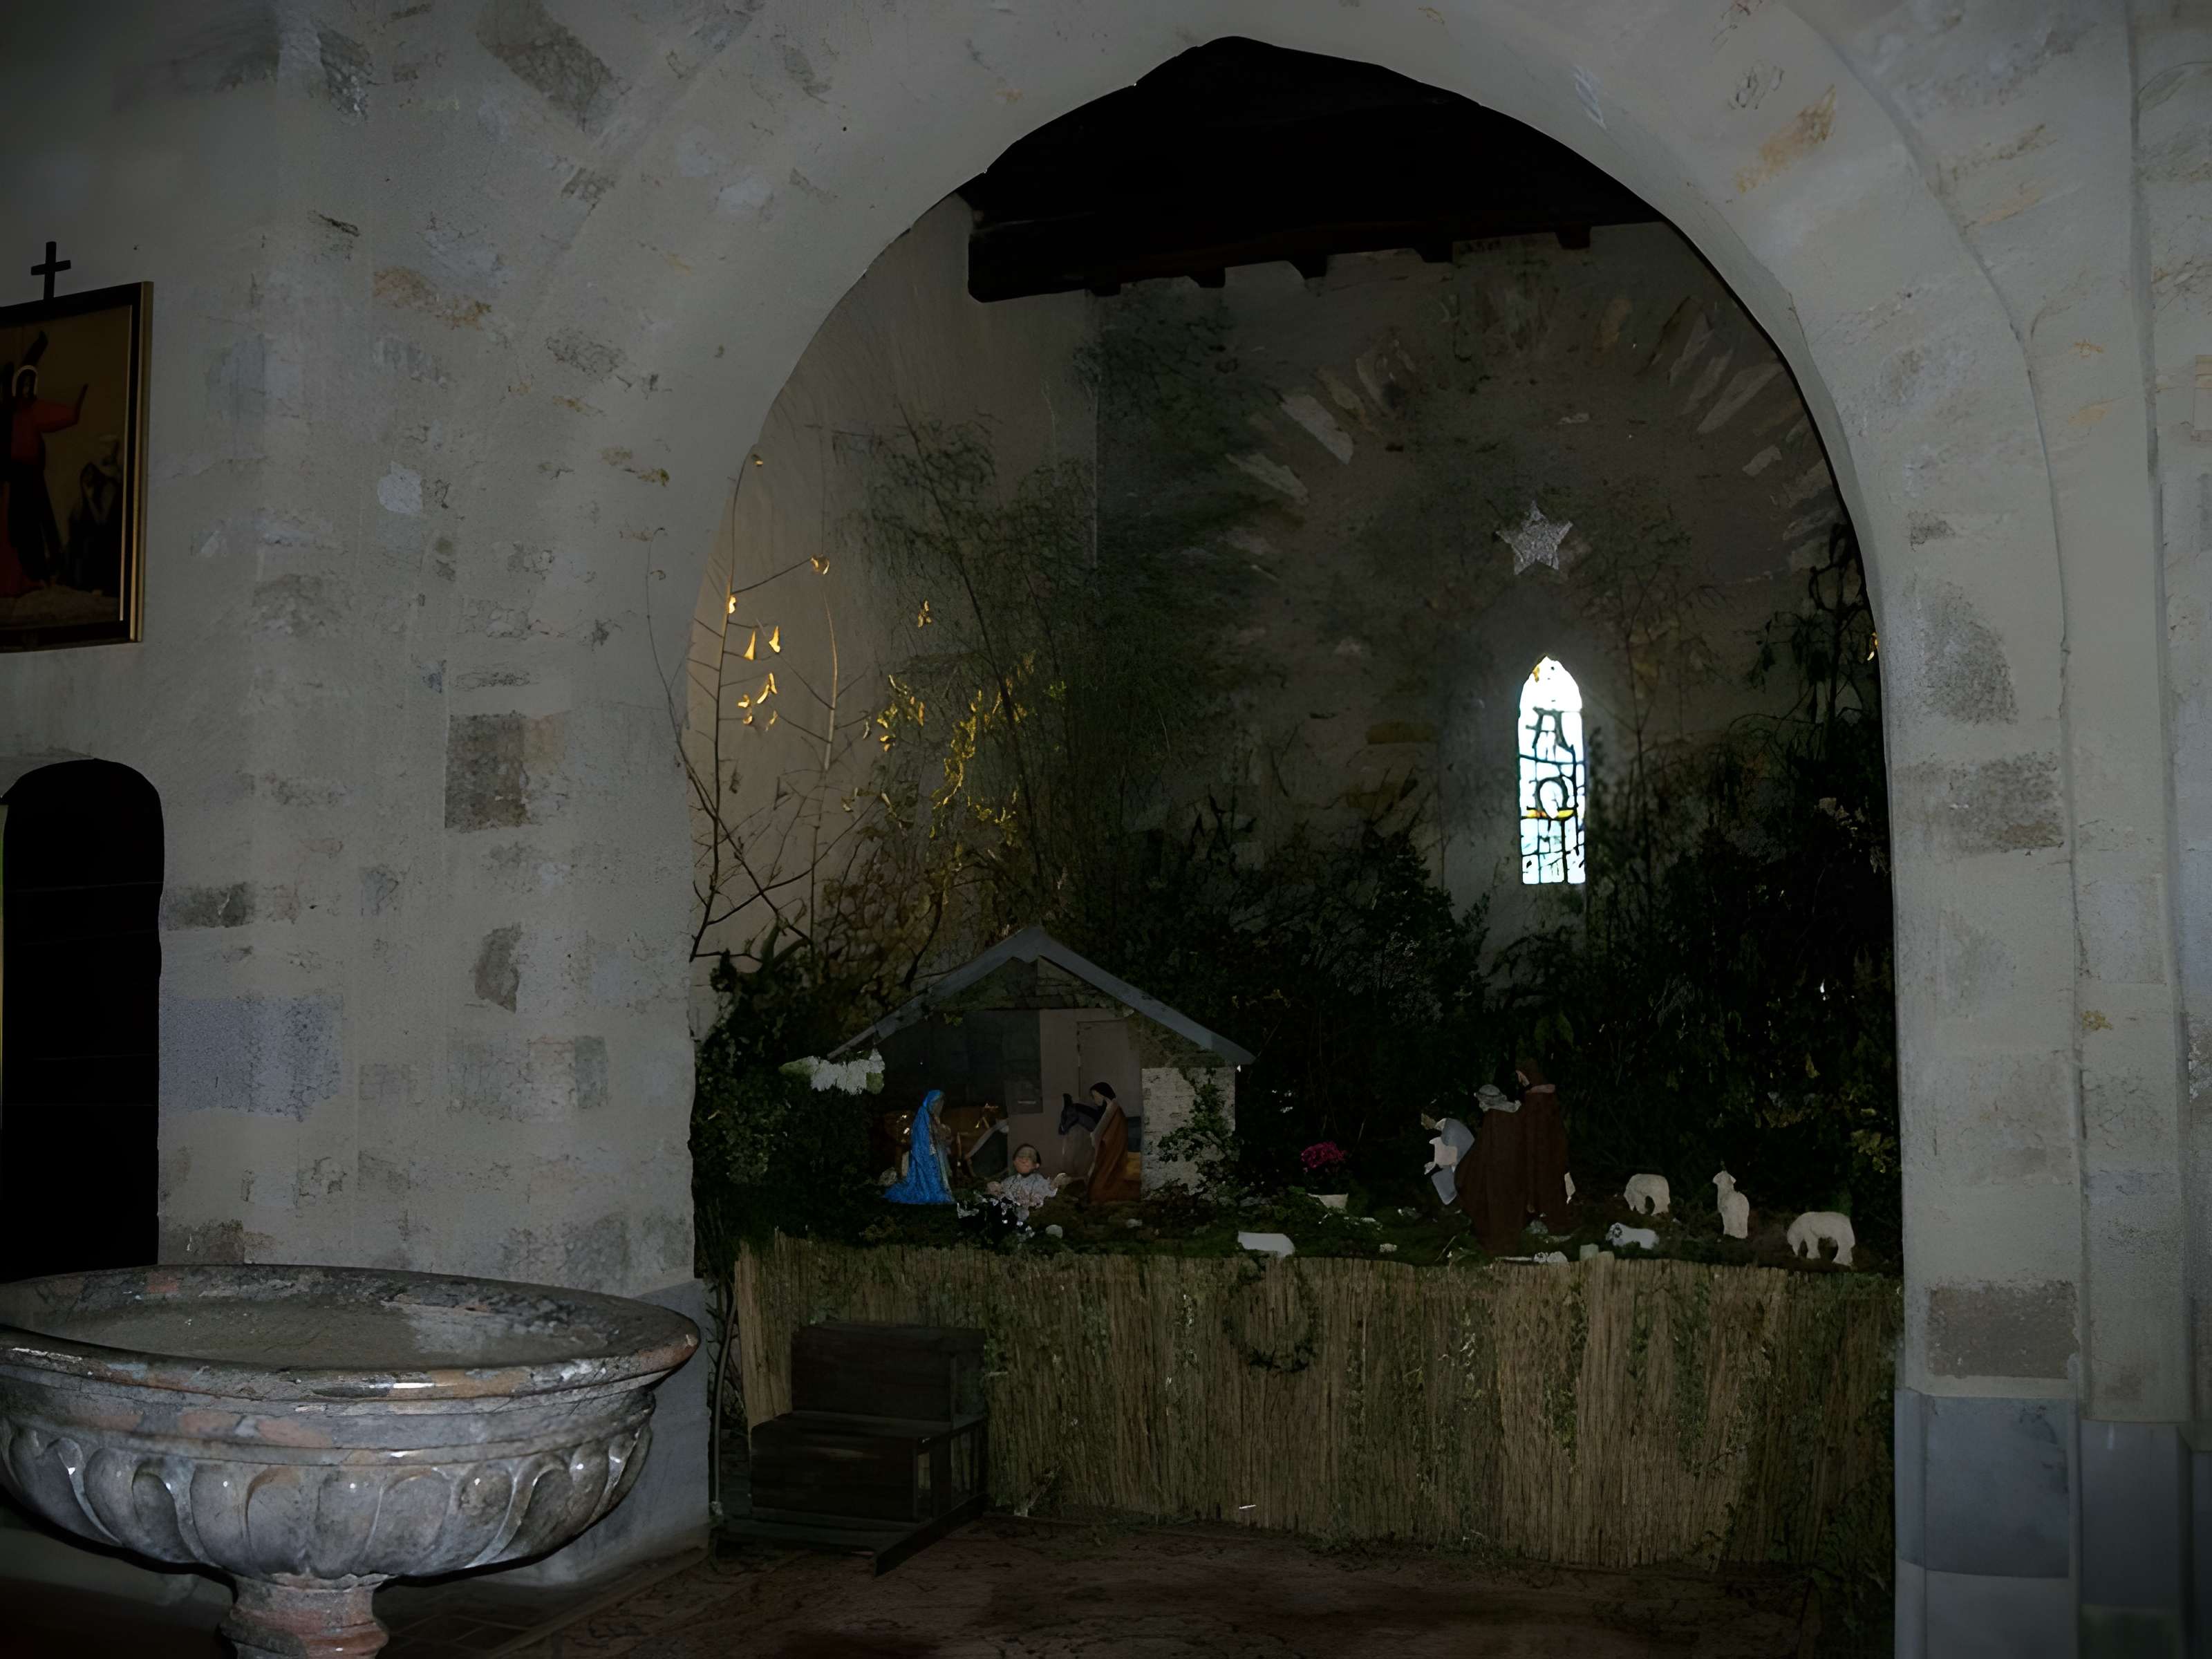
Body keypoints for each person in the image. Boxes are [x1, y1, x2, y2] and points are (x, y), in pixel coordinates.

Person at [6, 359, 87, 587]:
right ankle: (31, 572)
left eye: (30, 384)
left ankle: (46, 570)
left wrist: (79, 397)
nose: (27, 388)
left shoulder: (34, 409)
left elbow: (66, 416)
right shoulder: (11, 413)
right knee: (21, 525)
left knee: (43, 520)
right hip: (16, 476)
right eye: (24, 383)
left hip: (32, 475)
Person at [65, 433, 122, 594]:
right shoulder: (90, 486)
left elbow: (104, 523)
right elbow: (77, 522)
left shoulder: (111, 489)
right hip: (90, 545)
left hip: (105, 544)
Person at [883, 1089, 955, 1206]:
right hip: (924, 1152)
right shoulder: (923, 1115)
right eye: (937, 1103)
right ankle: (929, 1191)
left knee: (934, 1173)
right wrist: (929, 1148)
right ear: (932, 1102)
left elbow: (935, 1133)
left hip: (931, 1151)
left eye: (940, 1103)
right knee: (927, 1174)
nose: (938, 1106)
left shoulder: (932, 1117)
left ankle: (936, 1190)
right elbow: (920, 1137)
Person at [1081, 1082, 1141, 1206]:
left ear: (1103, 1094)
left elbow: (1113, 1134)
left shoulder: (1115, 1110)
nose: (1094, 1099)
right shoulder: (1110, 1109)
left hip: (1112, 1150)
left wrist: (1098, 1139)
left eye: (1095, 1095)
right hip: (1106, 1149)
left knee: (1100, 1189)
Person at [987, 1144, 1063, 1216]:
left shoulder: (1005, 1184)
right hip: (1026, 1192)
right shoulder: (1004, 1196)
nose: (995, 1186)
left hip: (1027, 1185)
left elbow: (1017, 1179)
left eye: (994, 1185)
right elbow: (1017, 1201)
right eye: (994, 1189)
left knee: (1040, 1186)